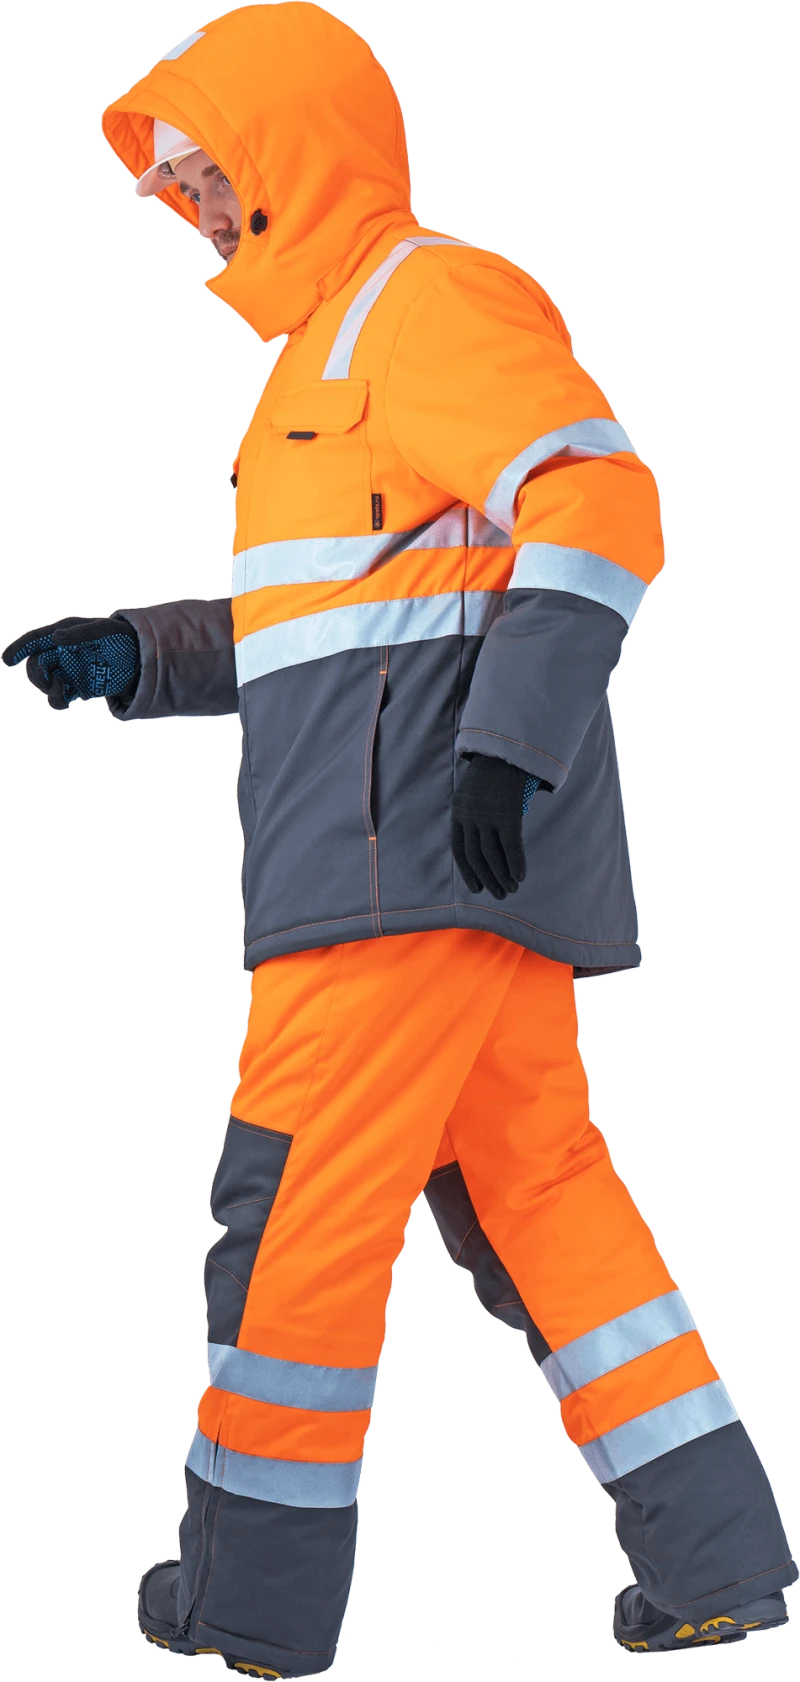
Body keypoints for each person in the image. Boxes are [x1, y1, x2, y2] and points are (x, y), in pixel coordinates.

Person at [6, 4, 795, 1674]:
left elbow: (600, 499)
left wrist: (510, 747)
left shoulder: (422, 302)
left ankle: (248, 1609)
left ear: (287, 152)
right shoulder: (311, 376)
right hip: (434, 873)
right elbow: (338, 624)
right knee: (544, 1208)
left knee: (291, 1208)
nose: (188, 205)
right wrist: (147, 656)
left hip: (397, 877)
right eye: (176, 183)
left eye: (207, 169)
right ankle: (721, 1563)